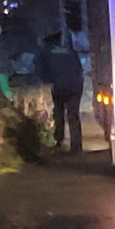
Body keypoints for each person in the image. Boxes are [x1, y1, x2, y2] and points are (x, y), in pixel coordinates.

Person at [42, 24, 86, 153]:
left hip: (59, 86)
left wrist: (48, 81)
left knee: (59, 114)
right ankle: (76, 146)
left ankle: (59, 141)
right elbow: (79, 69)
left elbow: (43, 70)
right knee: (73, 116)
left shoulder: (48, 53)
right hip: (74, 87)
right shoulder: (71, 52)